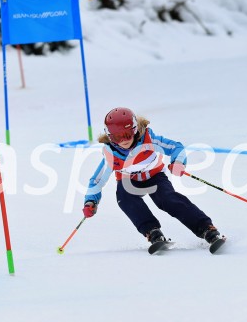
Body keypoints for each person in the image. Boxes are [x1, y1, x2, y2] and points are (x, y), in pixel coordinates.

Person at [82, 107, 224, 251]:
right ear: (109, 137)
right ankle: (152, 232)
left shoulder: (149, 139)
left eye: (127, 134)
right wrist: (90, 201)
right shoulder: (110, 153)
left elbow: (176, 147)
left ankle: (207, 229)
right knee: (125, 199)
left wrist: (178, 162)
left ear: (135, 129)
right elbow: (97, 180)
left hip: (154, 176)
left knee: (167, 199)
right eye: (117, 137)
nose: (124, 140)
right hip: (128, 180)